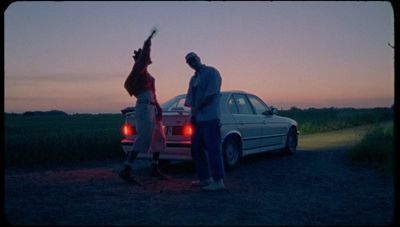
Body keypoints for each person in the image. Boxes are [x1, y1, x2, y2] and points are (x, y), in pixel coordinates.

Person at [118, 33, 169, 184]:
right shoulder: (138, 70)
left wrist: (159, 109)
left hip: (152, 107)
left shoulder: (149, 77)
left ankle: (154, 167)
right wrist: (149, 40)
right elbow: (144, 56)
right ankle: (126, 169)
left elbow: (154, 94)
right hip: (144, 107)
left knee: (159, 137)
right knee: (144, 137)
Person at [184, 52, 225, 191]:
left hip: (210, 118)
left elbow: (211, 94)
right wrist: (192, 111)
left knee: (213, 149)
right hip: (197, 119)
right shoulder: (193, 78)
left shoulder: (211, 72)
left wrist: (197, 108)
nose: (192, 63)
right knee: (196, 149)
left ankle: (218, 181)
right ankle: (205, 178)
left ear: (199, 59)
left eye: (193, 60)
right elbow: (189, 98)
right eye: (189, 62)